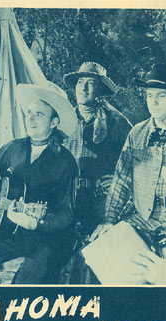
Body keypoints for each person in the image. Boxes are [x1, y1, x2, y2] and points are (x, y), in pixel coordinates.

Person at [0, 82, 78, 284]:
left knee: (26, 281)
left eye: (39, 115)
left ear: (54, 122)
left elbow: (66, 213)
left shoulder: (65, 162)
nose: (30, 119)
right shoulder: (14, 147)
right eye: (29, 113)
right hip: (11, 233)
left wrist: (38, 222)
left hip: (47, 239)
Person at [91, 64, 166, 242]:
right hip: (144, 219)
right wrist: (109, 220)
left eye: (161, 96)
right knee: (99, 252)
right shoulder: (137, 134)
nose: (153, 102)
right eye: (149, 95)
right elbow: (121, 180)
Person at [63, 62, 132, 237]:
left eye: (91, 83)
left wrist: (117, 180)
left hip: (100, 202)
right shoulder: (63, 121)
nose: (83, 88)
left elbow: (133, 161)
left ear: (100, 90)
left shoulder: (116, 122)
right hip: (66, 199)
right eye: (80, 82)